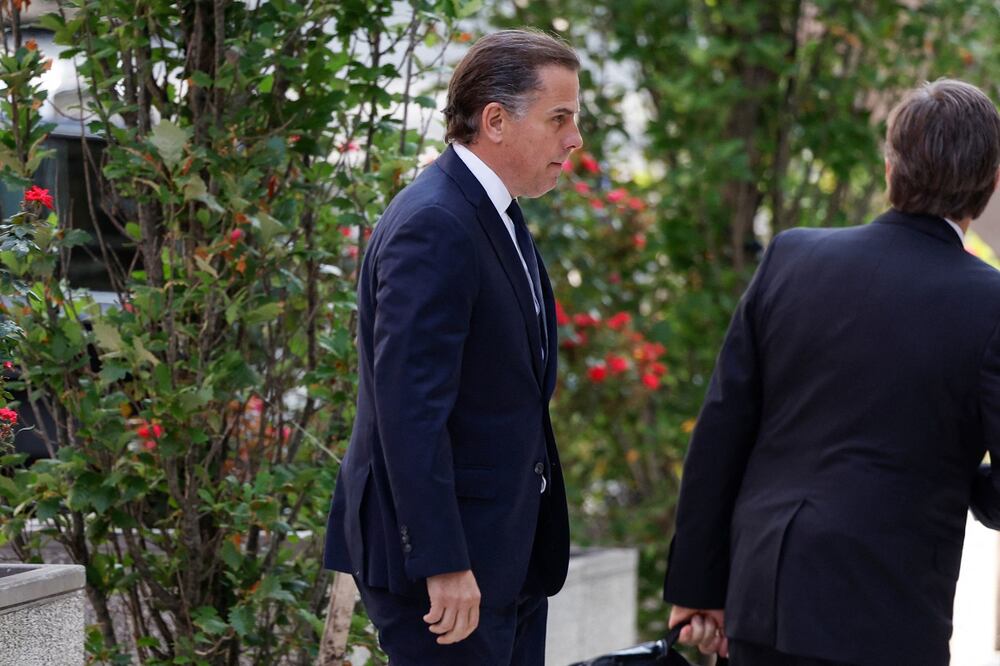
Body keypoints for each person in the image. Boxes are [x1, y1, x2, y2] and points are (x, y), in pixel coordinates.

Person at [663, 78, 1000, 666]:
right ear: (990, 184)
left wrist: (696, 588)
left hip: (761, 594)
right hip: (887, 609)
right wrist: (961, 480)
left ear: (891, 164)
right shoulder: (989, 301)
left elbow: (722, 430)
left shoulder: (793, 256)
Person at [323, 29, 583, 666]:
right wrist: (442, 562)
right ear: (495, 120)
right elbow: (409, 410)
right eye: (560, 119)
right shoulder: (436, 223)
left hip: (504, 556)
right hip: (447, 574)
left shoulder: (494, 212)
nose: (573, 140)